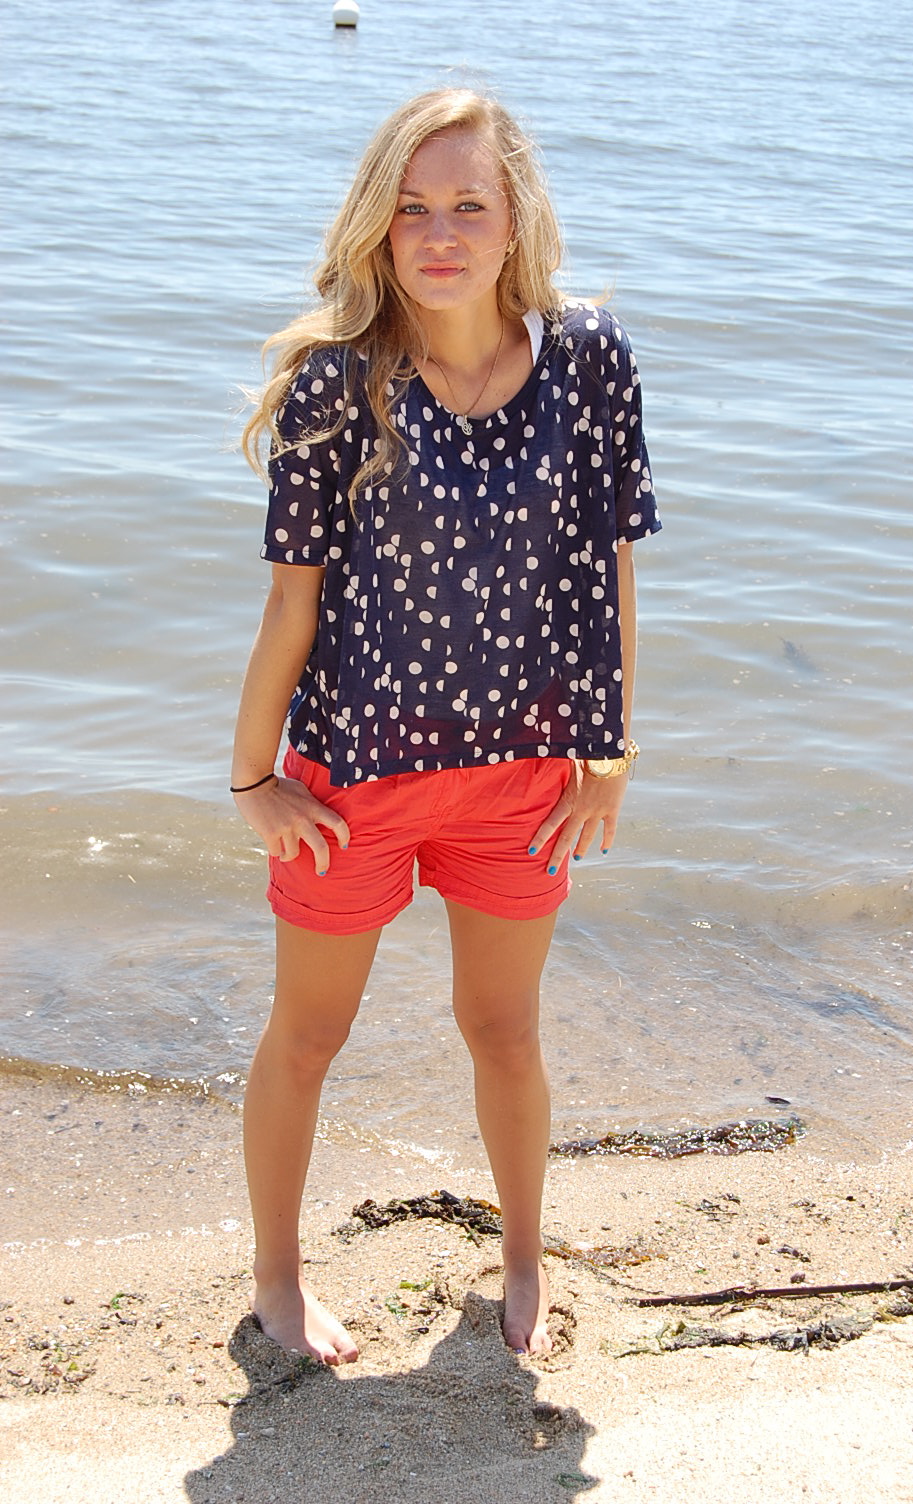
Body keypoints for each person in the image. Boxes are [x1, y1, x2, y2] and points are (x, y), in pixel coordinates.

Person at [232, 88, 660, 1363]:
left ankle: (522, 1259)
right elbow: (293, 603)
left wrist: (608, 749)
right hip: (351, 780)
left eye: (469, 204)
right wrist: (252, 776)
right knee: (308, 1035)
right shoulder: (336, 380)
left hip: (521, 777)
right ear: (378, 223)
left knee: (504, 1029)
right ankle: (276, 1277)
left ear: (514, 217)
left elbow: (609, 572)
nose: (439, 233)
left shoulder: (587, 359)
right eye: (412, 207)